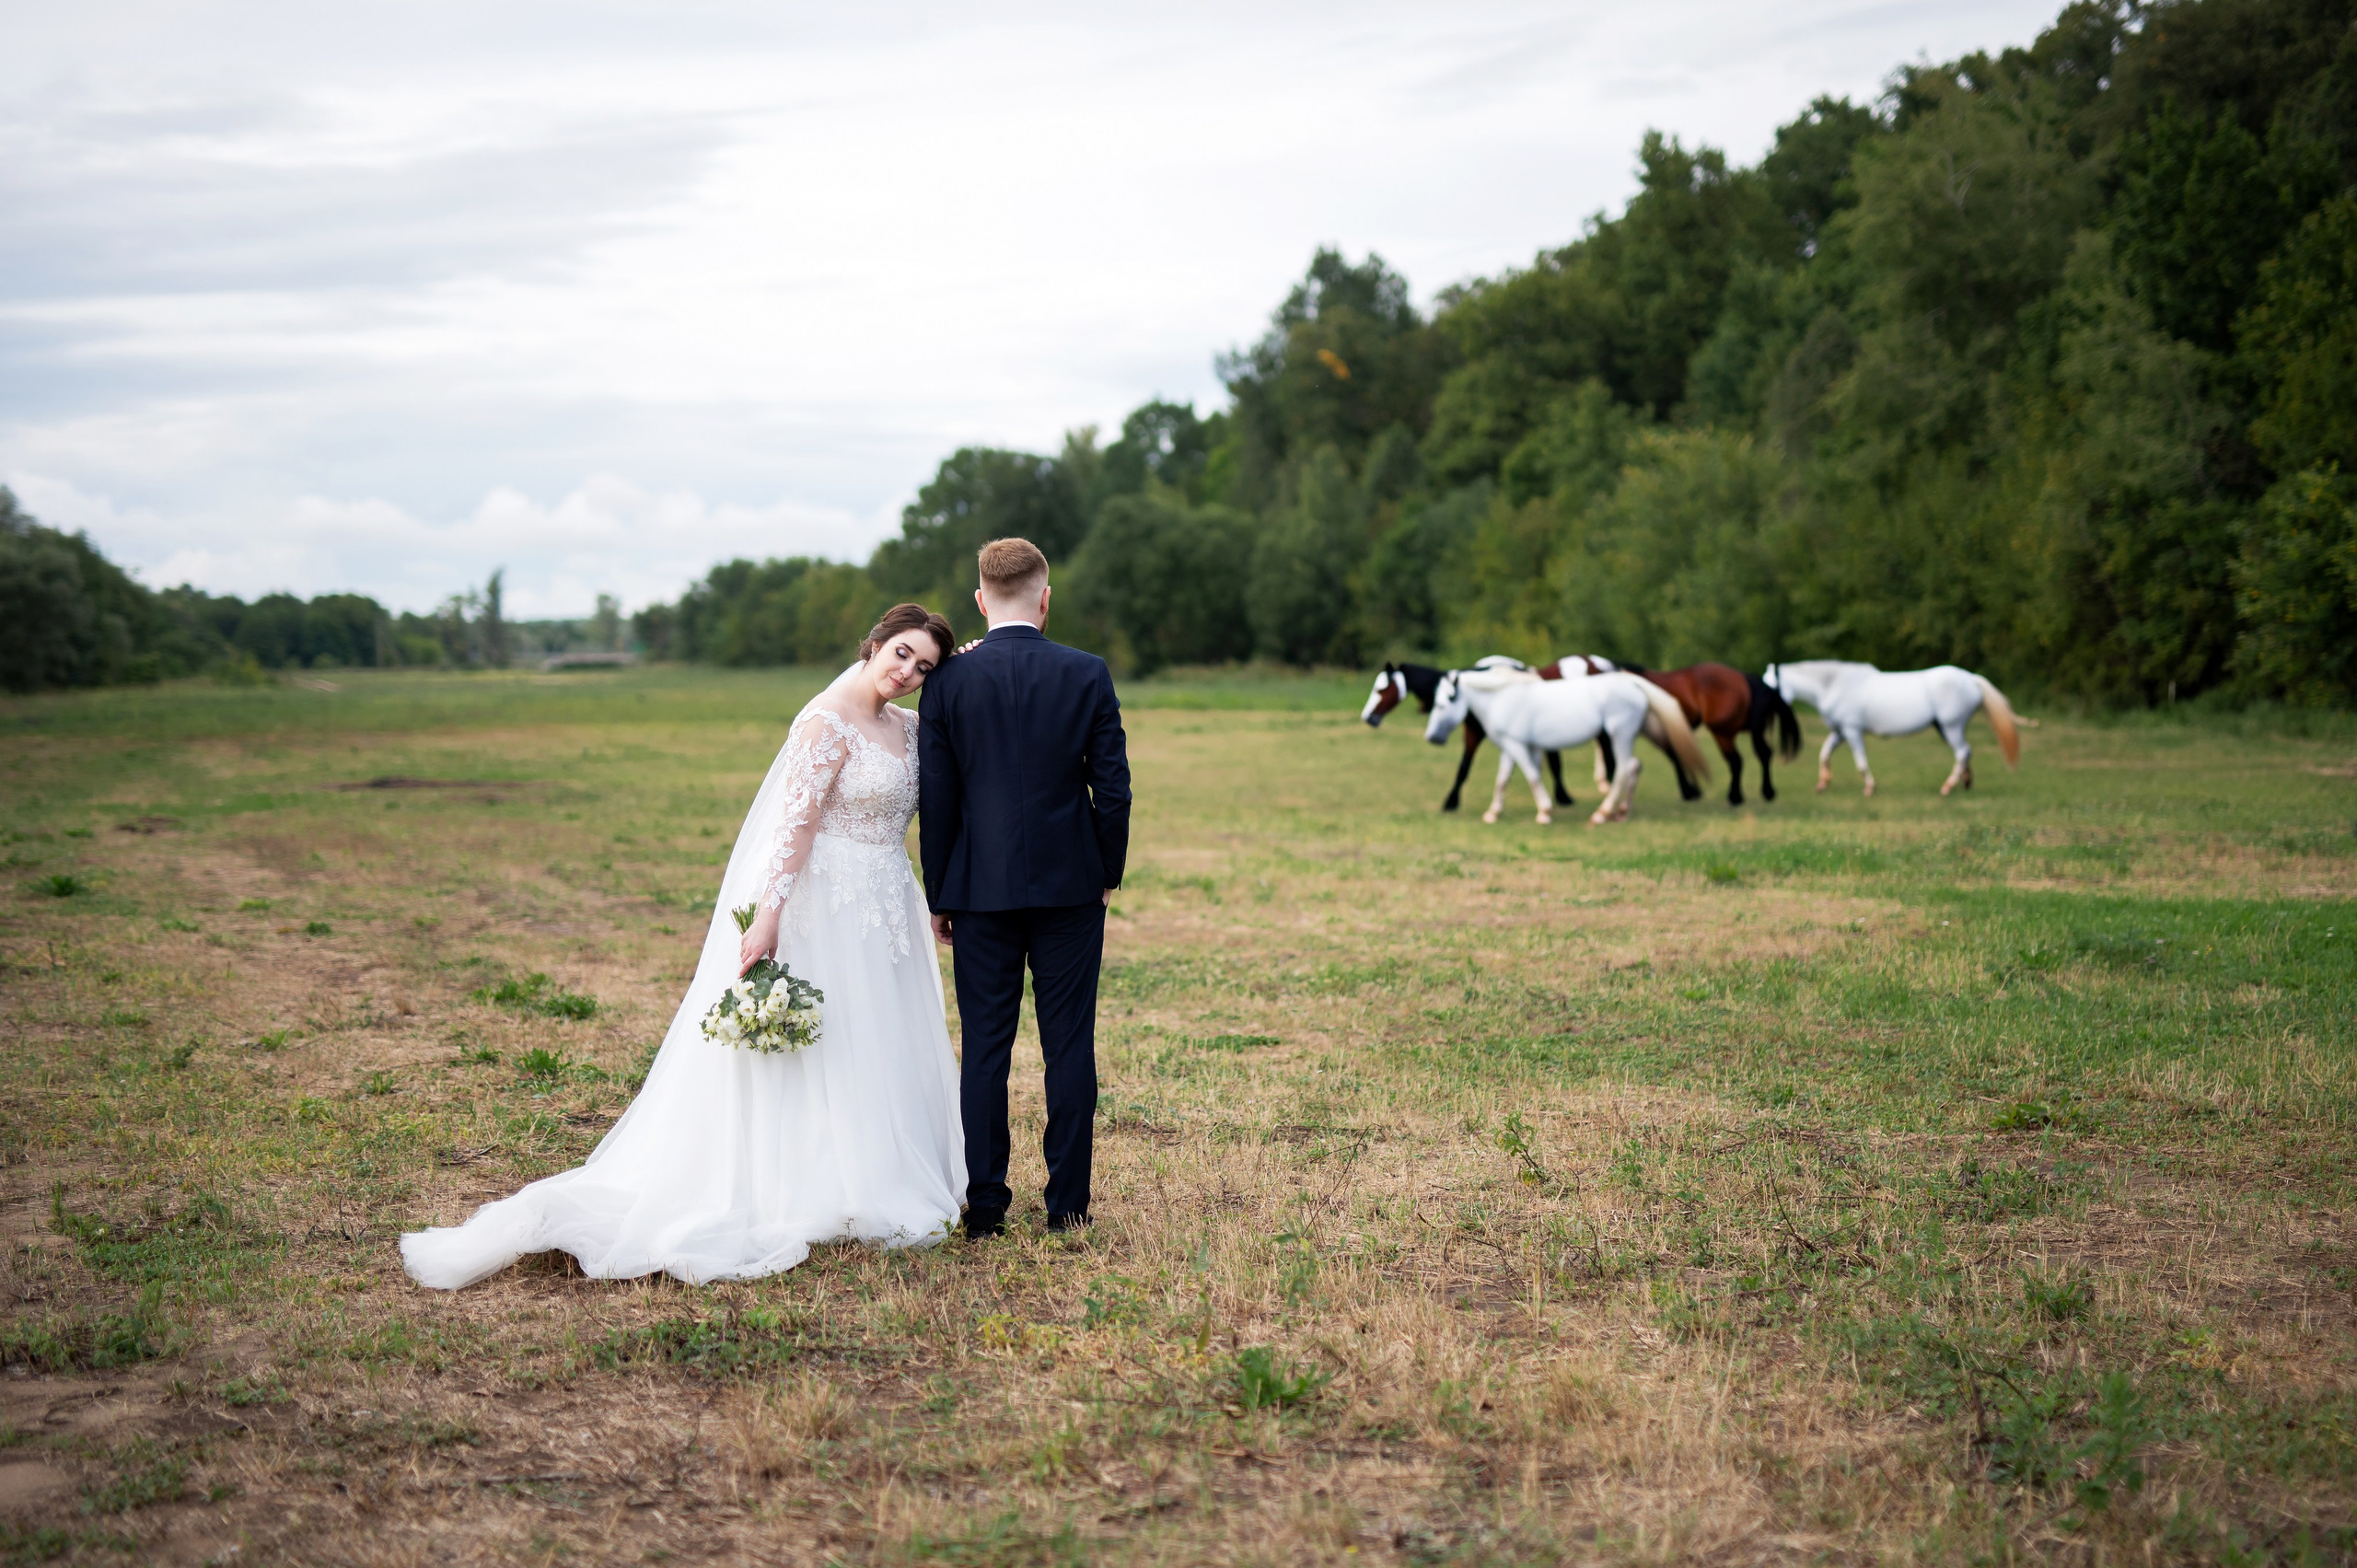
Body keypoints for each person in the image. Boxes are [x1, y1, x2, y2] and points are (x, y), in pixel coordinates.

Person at [399, 605, 966, 1288]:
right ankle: (815, 1182)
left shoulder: (909, 727)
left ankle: (882, 1166)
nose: (908, 673)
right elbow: (796, 827)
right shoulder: (825, 719)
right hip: (827, 903)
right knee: (826, 1039)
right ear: (875, 643)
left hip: (886, 901)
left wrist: (981, 653)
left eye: (925, 666)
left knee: (879, 1034)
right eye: (901, 653)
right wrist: (767, 915)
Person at [918, 538, 1131, 1238]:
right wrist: (1107, 872)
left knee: (985, 1047)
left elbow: (938, 798)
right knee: (1070, 1044)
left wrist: (940, 892)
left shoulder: (947, 681)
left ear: (981, 600)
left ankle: (986, 1208)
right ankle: (1068, 1207)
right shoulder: (1087, 672)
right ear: (1045, 598)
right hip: (1072, 885)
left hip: (979, 889)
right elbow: (1114, 787)